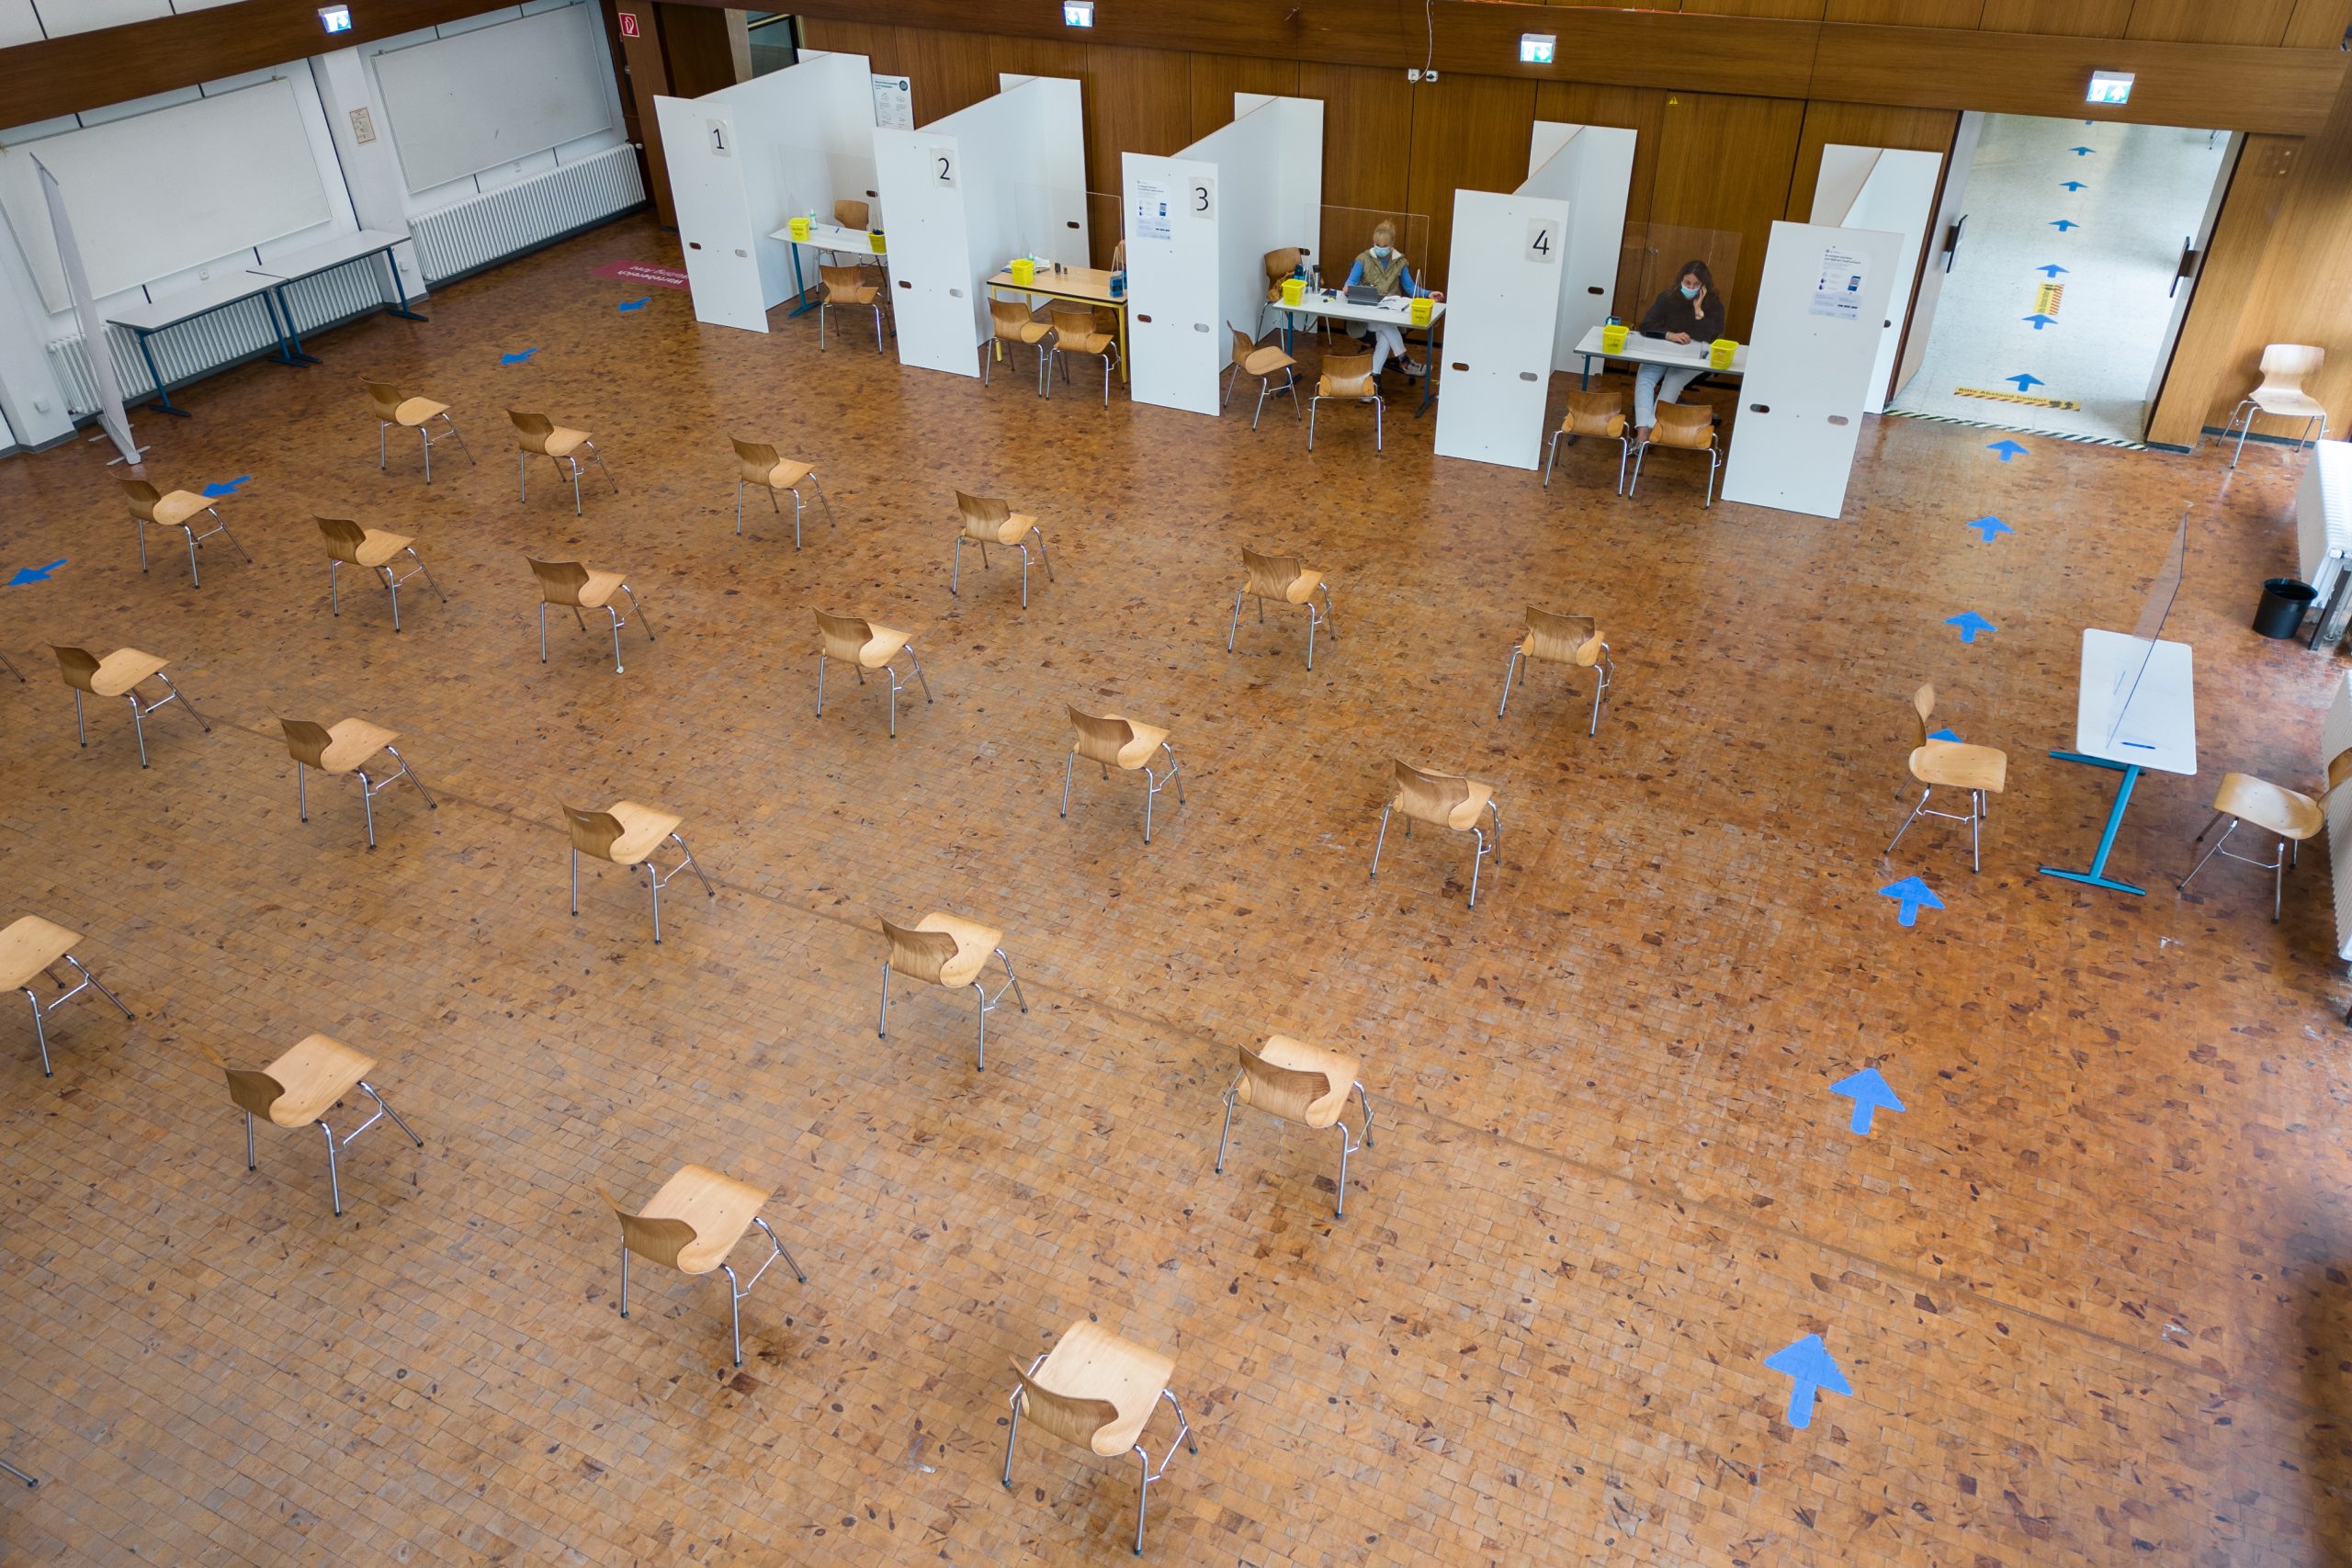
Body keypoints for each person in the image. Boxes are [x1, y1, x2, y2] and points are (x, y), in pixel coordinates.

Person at [1631, 260, 1727, 443]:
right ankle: (1642, 431)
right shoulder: (1667, 298)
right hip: (1664, 351)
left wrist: (1698, 310)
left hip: (1693, 357)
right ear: (1680, 281)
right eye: (1687, 283)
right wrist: (1669, 335)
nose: (1690, 287)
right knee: (1645, 376)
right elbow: (1646, 325)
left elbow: (1709, 336)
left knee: (1673, 380)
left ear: (1704, 286)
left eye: (1696, 284)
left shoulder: (1713, 305)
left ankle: (1652, 430)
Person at [1342, 221, 1443, 378]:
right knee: (1386, 325)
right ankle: (1404, 360)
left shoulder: (1400, 262)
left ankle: (1372, 383)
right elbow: (1350, 282)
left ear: (1392, 244)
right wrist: (1348, 287)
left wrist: (1428, 294)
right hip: (1366, 317)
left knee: (1384, 336)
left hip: (1389, 314)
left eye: (1384, 246)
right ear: (1373, 242)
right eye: (1377, 245)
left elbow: (1410, 288)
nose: (1380, 249)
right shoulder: (1363, 259)